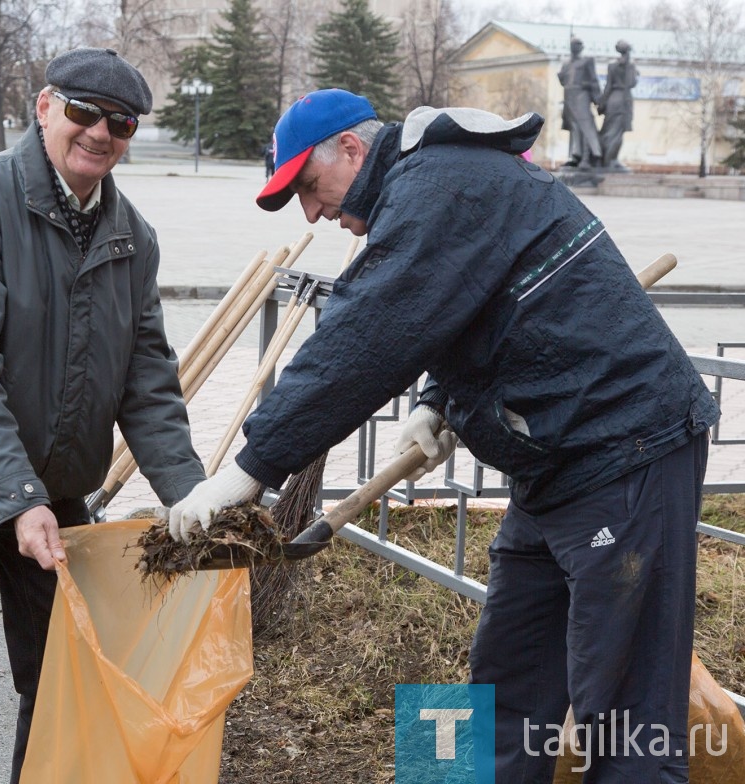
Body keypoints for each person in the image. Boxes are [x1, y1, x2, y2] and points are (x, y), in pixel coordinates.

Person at [167, 89, 718, 782]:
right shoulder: (433, 184)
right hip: (553, 460)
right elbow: (468, 305)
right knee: (506, 674)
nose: (313, 211)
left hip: (625, 451)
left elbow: (364, 336)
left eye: (309, 186)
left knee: (626, 715)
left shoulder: (443, 184)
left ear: (353, 150)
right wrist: (438, 400)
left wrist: (247, 469)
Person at [0, 47, 206, 784]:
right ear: (45, 107)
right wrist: (18, 498)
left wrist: (193, 497)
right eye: (83, 113)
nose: (99, 134)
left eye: (119, 124)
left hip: (52, 485)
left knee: (60, 678)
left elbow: (148, 380)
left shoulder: (132, 237)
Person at [558, 36, 603, 169]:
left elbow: (593, 80)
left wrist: (598, 100)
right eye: (573, 44)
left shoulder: (587, 61)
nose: (575, 47)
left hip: (582, 96)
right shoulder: (566, 63)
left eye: (577, 44)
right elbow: (563, 81)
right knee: (574, 127)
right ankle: (575, 156)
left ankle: (588, 157)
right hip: (569, 97)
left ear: (581, 47)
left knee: (586, 127)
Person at [598, 40, 639, 171]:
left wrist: (602, 102)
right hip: (623, 100)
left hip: (612, 100)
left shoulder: (612, 66)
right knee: (616, 133)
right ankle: (611, 161)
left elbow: (608, 87)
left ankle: (606, 160)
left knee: (609, 131)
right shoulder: (629, 66)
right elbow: (631, 83)